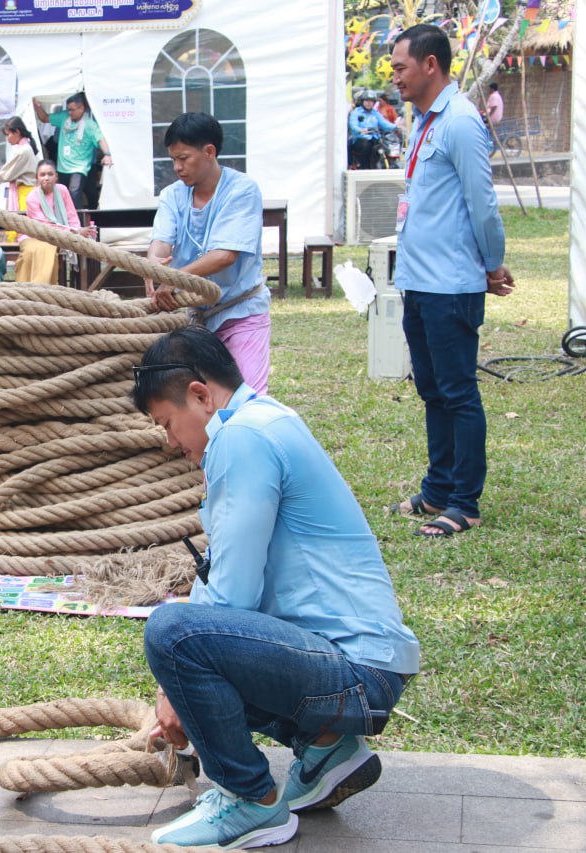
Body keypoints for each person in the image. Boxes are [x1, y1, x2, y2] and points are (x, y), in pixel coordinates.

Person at [133, 326, 420, 850]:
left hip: (354, 673)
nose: (171, 443)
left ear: (200, 394)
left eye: (168, 424)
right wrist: (176, 695)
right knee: (189, 644)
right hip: (360, 669)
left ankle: (250, 802)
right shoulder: (266, 421)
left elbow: (231, 595)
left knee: (171, 631)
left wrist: (172, 689)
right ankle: (326, 746)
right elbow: (224, 583)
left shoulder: (243, 437)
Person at [388, 24, 514, 538]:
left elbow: (483, 204)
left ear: (430, 65)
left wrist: (492, 263)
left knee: (458, 393)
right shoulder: (424, 121)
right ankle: (437, 489)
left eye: (400, 67)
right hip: (419, 280)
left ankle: (465, 502)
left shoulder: (461, 121)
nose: (394, 77)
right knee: (431, 388)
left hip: (451, 285)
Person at [144, 112, 272, 395]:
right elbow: (162, 241)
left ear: (209, 152)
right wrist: (154, 267)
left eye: (184, 158)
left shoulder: (242, 190)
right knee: (203, 401)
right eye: (173, 159)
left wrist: (174, 276)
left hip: (241, 311)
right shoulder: (172, 195)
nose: (177, 167)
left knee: (248, 398)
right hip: (197, 319)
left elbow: (225, 255)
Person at [14, 160, 96, 285]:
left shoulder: (62, 190)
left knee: (49, 246)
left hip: (57, 235)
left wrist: (77, 230)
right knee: (35, 250)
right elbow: (44, 226)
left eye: (50, 174)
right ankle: (30, 289)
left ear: (56, 176)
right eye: (42, 175)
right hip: (35, 235)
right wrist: (73, 231)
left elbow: (71, 215)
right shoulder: (32, 197)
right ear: (37, 178)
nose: (46, 178)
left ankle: (44, 290)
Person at [31, 92, 111, 209]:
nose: (70, 113)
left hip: (79, 167)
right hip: (62, 167)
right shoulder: (64, 117)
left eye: (72, 110)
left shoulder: (90, 125)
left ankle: (78, 223)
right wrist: (37, 106)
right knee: (61, 196)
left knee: (74, 194)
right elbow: (44, 118)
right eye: (68, 109)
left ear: (82, 108)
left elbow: (100, 139)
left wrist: (107, 154)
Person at [0, 116, 39, 217]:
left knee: (23, 228)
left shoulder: (23, 151)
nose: (7, 139)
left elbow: (5, 175)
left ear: (17, 132)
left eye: (8, 135)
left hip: (25, 194)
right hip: (27, 192)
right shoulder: (24, 147)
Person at [348, 91, 398, 169]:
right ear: (362, 101)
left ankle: (389, 165)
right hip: (361, 139)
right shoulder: (356, 112)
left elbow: (384, 124)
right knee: (366, 144)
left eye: (371, 101)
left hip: (375, 138)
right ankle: (364, 167)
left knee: (385, 144)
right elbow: (353, 125)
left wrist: (396, 127)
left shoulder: (375, 113)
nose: (369, 103)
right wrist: (360, 130)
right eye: (367, 101)